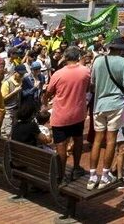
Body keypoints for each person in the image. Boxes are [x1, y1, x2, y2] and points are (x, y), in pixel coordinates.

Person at [89, 36, 124, 189]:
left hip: (99, 104)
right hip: (115, 103)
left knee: (97, 139)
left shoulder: (98, 60)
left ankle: (93, 175)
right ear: (120, 49)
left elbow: (92, 83)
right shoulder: (123, 62)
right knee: (111, 140)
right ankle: (105, 175)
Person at [43, 46, 92, 182]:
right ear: (77, 57)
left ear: (66, 57)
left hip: (61, 116)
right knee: (77, 141)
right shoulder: (85, 71)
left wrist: (45, 101)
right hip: (78, 114)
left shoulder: (58, 74)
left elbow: (48, 93)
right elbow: (88, 88)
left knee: (61, 146)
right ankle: (76, 167)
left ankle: (61, 174)